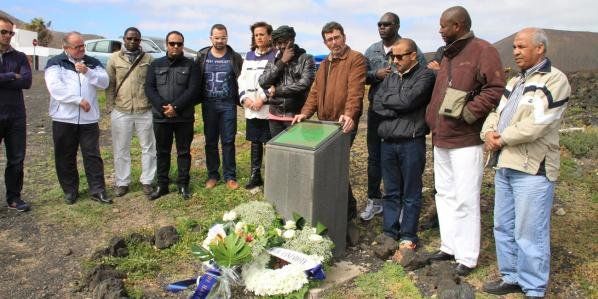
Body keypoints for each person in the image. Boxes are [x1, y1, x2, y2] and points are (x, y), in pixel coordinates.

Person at [481, 28, 570, 299]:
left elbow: (537, 124)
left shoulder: (555, 80)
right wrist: (487, 133)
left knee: (530, 231)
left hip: (533, 167)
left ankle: (533, 287)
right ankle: (511, 276)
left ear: (539, 48)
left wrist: (501, 138)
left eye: (521, 47)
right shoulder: (514, 82)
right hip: (505, 163)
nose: (515, 52)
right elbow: (498, 113)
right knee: (503, 225)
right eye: (515, 47)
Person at [424, 6, 505, 276]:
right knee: (444, 194)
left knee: (466, 198)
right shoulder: (448, 55)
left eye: (443, 26)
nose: (440, 30)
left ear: (458, 25)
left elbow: (495, 87)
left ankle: (468, 257)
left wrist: (470, 113)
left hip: (466, 140)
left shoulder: (483, 50)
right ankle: (449, 246)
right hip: (442, 137)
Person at [293, 22, 366, 236]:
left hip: (343, 125)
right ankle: (338, 211)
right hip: (324, 125)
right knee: (331, 169)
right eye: (329, 39)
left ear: (344, 36)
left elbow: (356, 91)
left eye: (337, 37)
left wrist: (351, 114)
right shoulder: (324, 64)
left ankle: (348, 216)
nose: (334, 42)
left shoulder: (356, 59)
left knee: (337, 169)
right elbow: (314, 92)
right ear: (325, 42)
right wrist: (305, 113)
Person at [362, 12, 426, 221]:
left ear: (397, 25)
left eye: (387, 24)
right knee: (375, 157)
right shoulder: (372, 50)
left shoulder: (409, 48)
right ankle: (375, 200)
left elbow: (421, 78)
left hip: (403, 116)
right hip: (376, 111)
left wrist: (401, 103)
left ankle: (401, 204)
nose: (382, 27)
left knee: (401, 159)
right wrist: (375, 75)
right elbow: (362, 76)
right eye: (379, 24)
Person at [373, 38, 435, 253]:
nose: (395, 60)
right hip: (387, 142)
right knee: (390, 191)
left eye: (400, 56)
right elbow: (377, 104)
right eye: (393, 56)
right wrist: (397, 105)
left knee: (411, 191)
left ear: (413, 55)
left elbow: (409, 101)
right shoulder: (390, 77)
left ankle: (408, 235)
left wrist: (396, 103)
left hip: (411, 142)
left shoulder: (425, 75)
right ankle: (390, 232)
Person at [45, 31, 112, 205]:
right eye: (77, 46)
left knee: (92, 155)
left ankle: (97, 190)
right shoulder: (55, 63)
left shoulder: (92, 62)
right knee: (65, 155)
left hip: (89, 120)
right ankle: (70, 190)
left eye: (83, 45)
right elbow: (55, 88)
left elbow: (104, 83)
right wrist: (78, 100)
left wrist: (88, 72)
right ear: (66, 47)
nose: (82, 49)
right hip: (64, 118)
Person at [145, 30, 200, 200]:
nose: (175, 46)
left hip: (183, 117)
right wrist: (164, 108)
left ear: (183, 45)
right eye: (172, 43)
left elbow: (193, 90)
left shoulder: (191, 65)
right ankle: (163, 185)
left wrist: (175, 107)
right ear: (166, 45)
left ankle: (183, 184)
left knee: (183, 152)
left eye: (179, 43)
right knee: (162, 152)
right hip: (162, 118)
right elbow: (149, 88)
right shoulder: (155, 65)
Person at [106, 27, 156, 197]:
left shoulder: (149, 59)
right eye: (129, 38)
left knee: (148, 148)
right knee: (121, 148)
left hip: (145, 109)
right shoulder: (114, 58)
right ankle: (122, 182)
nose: (133, 41)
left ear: (140, 41)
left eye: (136, 39)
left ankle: (147, 180)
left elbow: (153, 84)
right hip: (121, 109)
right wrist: (110, 107)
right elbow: (110, 84)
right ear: (124, 39)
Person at [196, 24, 243, 190]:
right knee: (210, 141)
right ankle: (213, 175)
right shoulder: (202, 56)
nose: (220, 41)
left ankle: (230, 176)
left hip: (228, 104)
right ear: (211, 38)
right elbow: (195, 78)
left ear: (227, 38)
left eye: (223, 37)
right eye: (217, 38)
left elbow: (242, 79)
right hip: (209, 104)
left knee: (228, 141)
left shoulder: (235, 57)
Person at [238, 22, 276, 190]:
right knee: (255, 141)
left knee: (269, 141)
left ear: (269, 36)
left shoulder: (276, 55)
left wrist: (262, 99)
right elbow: (242, 79)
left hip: (266, 107)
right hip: (251, 107)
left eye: (262, 34)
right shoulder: (248, 56)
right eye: (256, 35)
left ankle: (272, 176)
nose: (259, 37)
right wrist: (245, 99)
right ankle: (255, 175)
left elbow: (275, 81)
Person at [258, 25, 316, 137]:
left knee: (295, 150)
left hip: (296, 115)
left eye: (285, 41)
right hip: (274, 116)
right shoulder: (274, 60)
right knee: (277, 151)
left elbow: (304, 84)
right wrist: (282, 62)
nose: (282, 46)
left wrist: (277, 91)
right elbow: (263, 82)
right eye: (278, 43)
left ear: (292, 40)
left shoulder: (306, 58)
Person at [0, 16, 32, 212]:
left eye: (10, 32)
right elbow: (18, 78)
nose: (8, 36)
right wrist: (12, 76)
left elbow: (27, 82)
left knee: (16, 159)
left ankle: (14, 198)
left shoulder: (19, 56)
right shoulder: (16, 64)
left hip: (16, 116)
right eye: (3, 32)